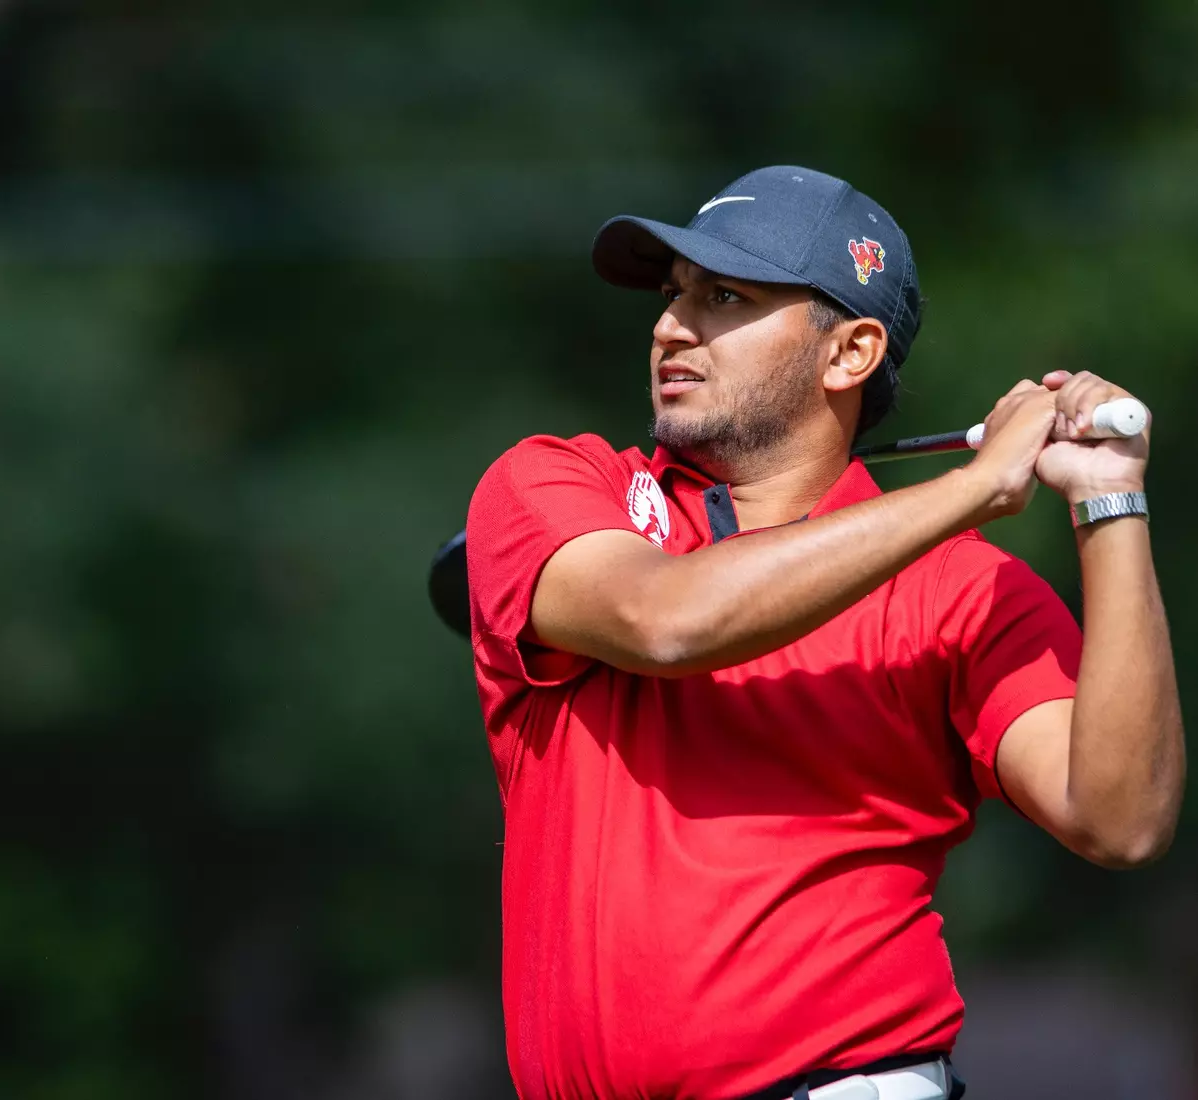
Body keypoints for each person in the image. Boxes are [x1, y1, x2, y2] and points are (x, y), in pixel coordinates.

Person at [463, 165, 1185, 1100]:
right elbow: (668, 620)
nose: (671, 327)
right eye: (675, 295)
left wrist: (1111, 499)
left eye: (725, 296)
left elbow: (1121, 820)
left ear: (849, 353)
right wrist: (976, 487)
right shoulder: (556, 485)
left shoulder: (962, 590)